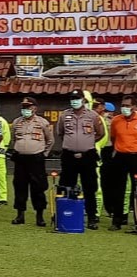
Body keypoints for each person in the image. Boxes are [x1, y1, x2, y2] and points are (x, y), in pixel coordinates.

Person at [56, 89, 105, 230]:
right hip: (69, 155)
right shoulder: (64, 115)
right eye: (72, 98)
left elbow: (100, 134)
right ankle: (67, 214)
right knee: (67, 185)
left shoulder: (93, 115)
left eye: (77, 98)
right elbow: (60, 133)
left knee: (90, 187)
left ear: (83, 100)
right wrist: (72, 143)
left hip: (88, 156)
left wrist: (87, 141)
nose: (74, 101)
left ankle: (91, 217)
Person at [10, 97, 54, 226]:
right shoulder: (17, 122)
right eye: (23, 107)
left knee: (38, 188)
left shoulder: (42, 122)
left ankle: (39, 216)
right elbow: (14, 139)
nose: (25, 110)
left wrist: (43, 154)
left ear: (34, 108)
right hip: (20, 159)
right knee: (19, 187)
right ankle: (20, 215)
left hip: (36, 159)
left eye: (28, 107)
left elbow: (50, 140)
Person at [107, 95, 137, 231]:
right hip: (120, 156)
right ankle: (117, 220)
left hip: (136, 157)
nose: (125, 108)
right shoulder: (116, 120)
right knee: (118, 189)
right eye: (123, 105)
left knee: (136, 190)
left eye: (128, 105)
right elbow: (113, 137)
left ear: (134, 107)